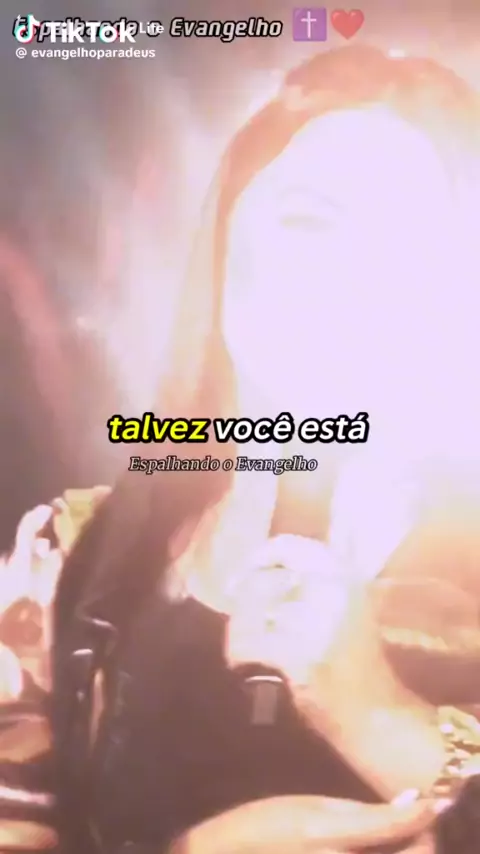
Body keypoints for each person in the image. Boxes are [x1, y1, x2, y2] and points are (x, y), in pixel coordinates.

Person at [46, 46, 480, 854]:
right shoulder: (94, 545)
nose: (350, 275)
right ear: (225, 238)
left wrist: (379, 718)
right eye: (311, 220)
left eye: (406, 239)